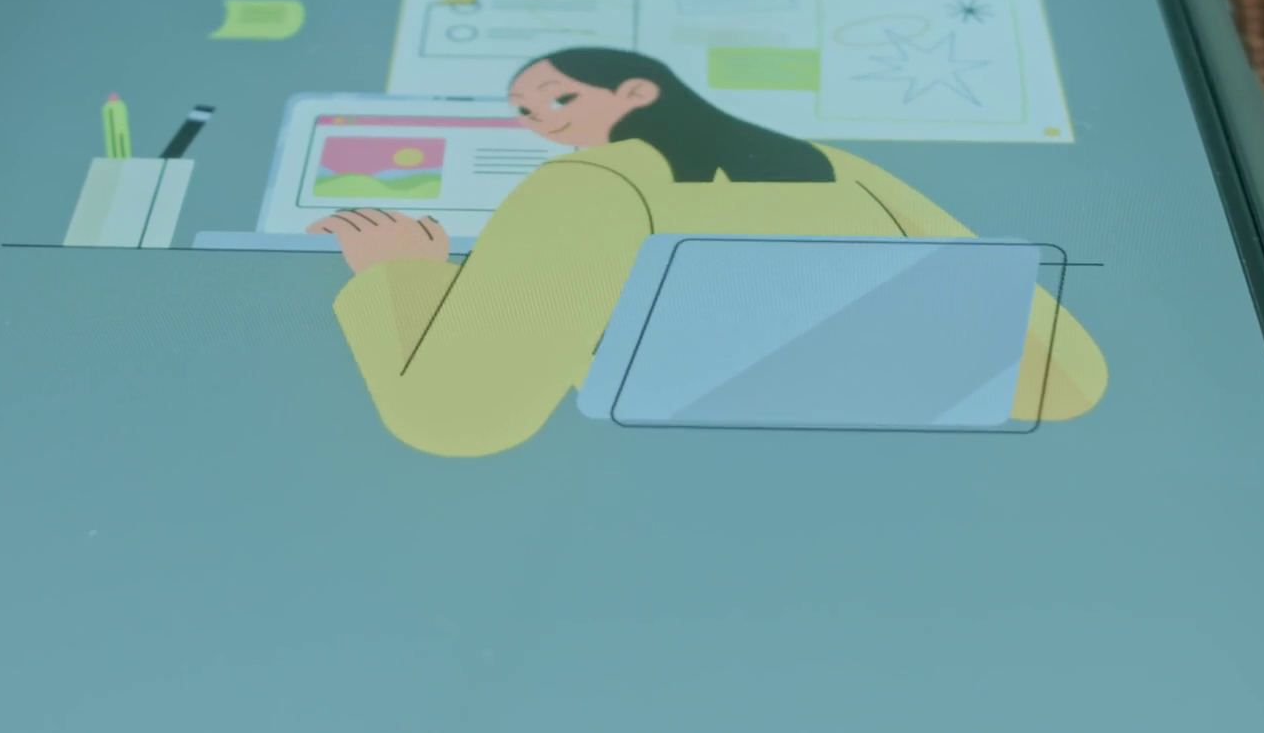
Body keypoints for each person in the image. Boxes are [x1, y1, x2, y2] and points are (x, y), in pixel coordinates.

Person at [310, 48, 1106, 457]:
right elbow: (1065, 378)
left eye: (557, 98)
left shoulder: (590, 189)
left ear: (636, 93)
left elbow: (460, 419)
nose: (541, 122)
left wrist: (400, 275)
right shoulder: (844, 169)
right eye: (522, 112)